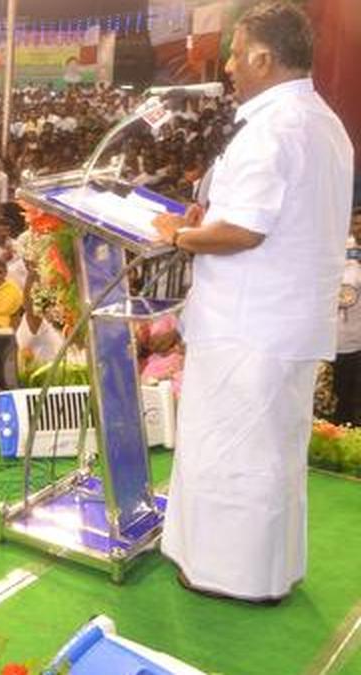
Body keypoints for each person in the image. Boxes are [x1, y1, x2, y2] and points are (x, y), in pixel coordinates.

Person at [152, 1, 354, 603]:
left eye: (237, 54)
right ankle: (270, 572)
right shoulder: (324, 123)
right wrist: (208, 218)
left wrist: (181, 234)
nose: (229, 66)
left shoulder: (272, 128)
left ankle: (226, 576)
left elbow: (246, 231)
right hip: (284, 325)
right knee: (273, 456)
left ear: (264, 58)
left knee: (231, 455)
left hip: (248, 327)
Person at [334, 211, 361, 426]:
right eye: (356, 223)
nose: (359, 228)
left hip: (358, 341)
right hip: (338, 340)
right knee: (336, 399)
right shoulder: (340, 249)